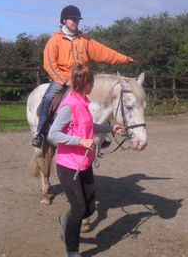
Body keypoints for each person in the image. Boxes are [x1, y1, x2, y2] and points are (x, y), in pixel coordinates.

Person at [31, 4, 135, 148]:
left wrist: (125, 59)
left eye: (77, 20)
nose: (76, 22)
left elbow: (104, 52)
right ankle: (40, 133)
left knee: (96, 101)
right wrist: (64, 81)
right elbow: (49, 64)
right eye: (72, 19)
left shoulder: (85, 40)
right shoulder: (55, 40)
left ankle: (98, 135)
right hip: (62, 78)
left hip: (82, 78)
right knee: (48, 98)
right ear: (64, 21)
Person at [47, 64, 124, 257]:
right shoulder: (69, 105)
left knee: (89, 206)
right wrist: (80, 141)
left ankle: (67, 221)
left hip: (84, 164)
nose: (93, 86)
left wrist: (110, 129)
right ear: (87, 84)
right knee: (79, 209)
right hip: (68, 166)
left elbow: (89, 125)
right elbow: (53, 134)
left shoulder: (83, 102)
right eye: (92, 82)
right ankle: (72, 251)